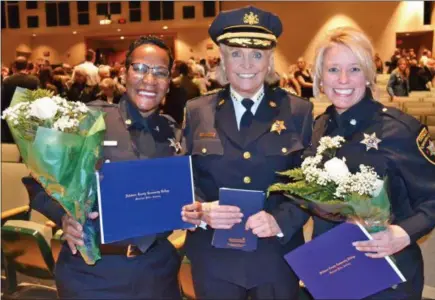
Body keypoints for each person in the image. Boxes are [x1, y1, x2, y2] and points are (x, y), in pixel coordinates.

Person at [31, 36, 187, 299]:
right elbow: (38, 182)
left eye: (160, 72)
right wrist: (64, 217)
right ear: (124, 73)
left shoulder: (173, 133)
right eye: (139, 68)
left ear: (168, 82)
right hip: (93, 275)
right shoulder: (87, 120)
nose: (149, 80)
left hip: (157, 274)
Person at [181, 6, 313, 300]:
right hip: (214, 255)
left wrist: (282, 219)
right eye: (236, 53)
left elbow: (307, 181)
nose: (247, 64)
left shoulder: (298, 111)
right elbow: (185, 176)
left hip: (275, 253)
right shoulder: (197, 110)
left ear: (269, 61)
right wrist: (203, 211)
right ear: (223, 61)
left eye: (257, 54)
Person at [310, 27, 435, 299]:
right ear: (320, 76)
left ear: (369, 74)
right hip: (332, 270)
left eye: (354, 69)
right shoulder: (316, 129)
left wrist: (403, 233)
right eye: (333, 69)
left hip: (388, 275)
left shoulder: (400, 129)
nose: (343, 79)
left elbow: (434, 197)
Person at [1, 56, 40, 143]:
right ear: (26, 66)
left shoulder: (8, 81)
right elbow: (38, 100)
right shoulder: (34, 80)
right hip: (28, 118)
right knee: (27, 145)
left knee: (11, 146)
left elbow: (2, 101)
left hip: (10, 119)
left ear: (14, 67)